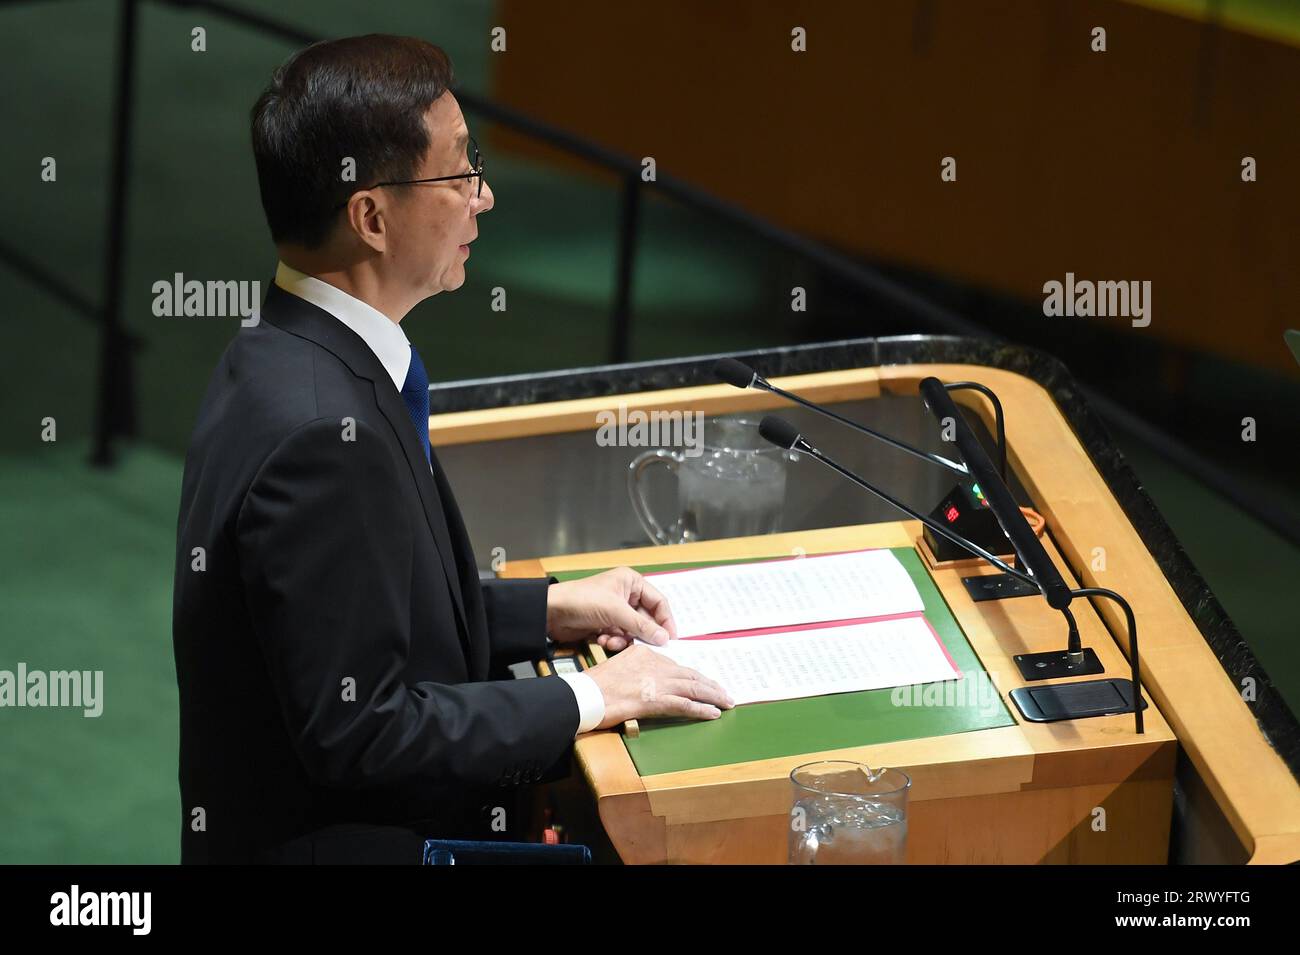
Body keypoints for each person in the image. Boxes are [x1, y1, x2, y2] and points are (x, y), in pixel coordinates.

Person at [172, 34, 732, 864]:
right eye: (461, 171)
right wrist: (588, 695)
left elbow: (364, 604)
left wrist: (548, 608)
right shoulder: (325, 433)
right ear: (370, 215)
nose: (485, 197)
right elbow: (359, 729)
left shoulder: (288, 351)